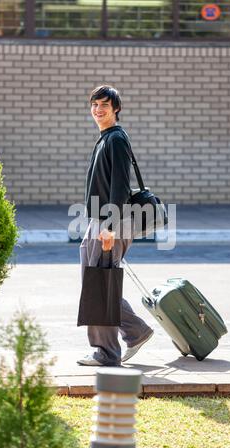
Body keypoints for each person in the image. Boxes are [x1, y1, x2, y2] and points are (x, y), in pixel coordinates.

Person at [77, 85, 154, 367]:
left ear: (116, 109)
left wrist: (109, 227)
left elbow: (121, 186)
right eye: (95, 104)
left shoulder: (116, 139)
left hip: (110, 223)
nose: (98, 110)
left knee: (99, 285)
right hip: (98, 221)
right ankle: (136, 332)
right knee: (97, 285)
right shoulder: (106, 138)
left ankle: (106, 353)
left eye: (104, 105)